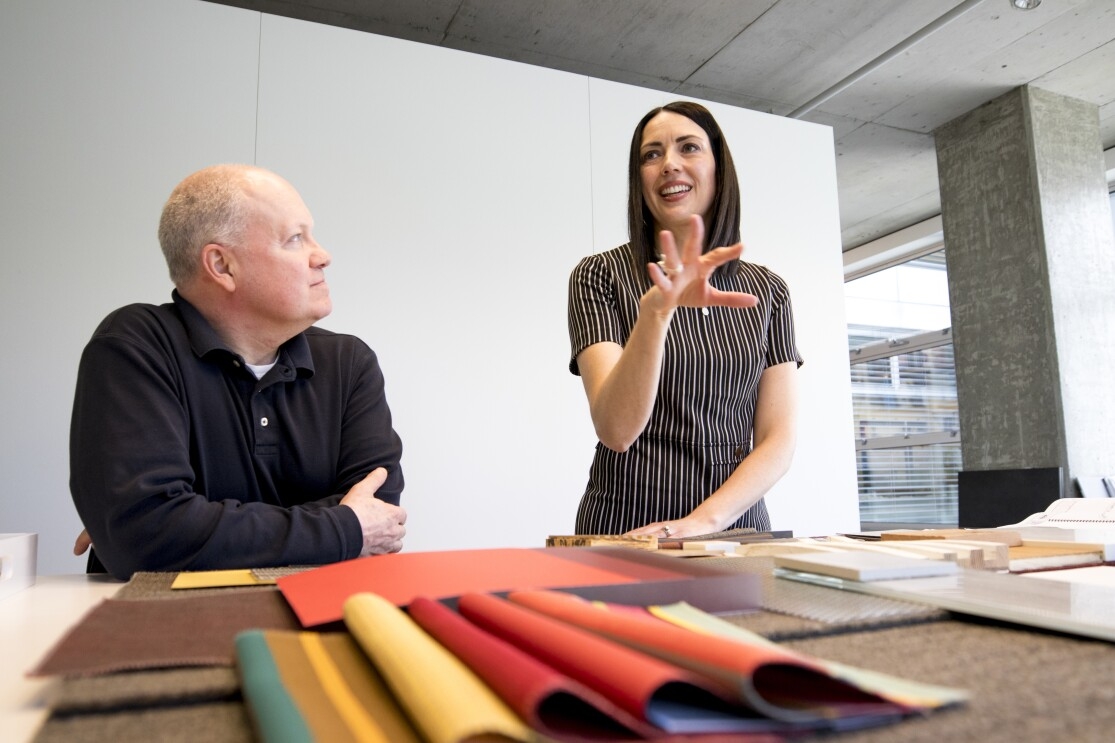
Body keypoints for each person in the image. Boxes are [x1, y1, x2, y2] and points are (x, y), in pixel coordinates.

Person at [69, 164, 406, 579]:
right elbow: (145, 537)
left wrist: (192, 525)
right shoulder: (135, 345)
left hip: (315, 618)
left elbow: (380, 510)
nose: (322, 255)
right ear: (222, 266)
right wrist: (343, 526)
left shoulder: (350, 362)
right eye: (295, 239)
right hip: (163, 627)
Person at [567, 101, 802, 539]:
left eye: (688, 148)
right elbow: (617, 430)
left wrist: (703, 522)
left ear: (718, 168)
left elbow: (778, 439)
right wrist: (656, 311)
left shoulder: (769, 290)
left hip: (734, 526)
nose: (669, 164)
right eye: (651, 155)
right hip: (629, 525)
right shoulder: (599, 275)